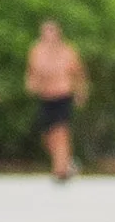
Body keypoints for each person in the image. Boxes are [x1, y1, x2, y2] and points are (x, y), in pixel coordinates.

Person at [25, 17, 88, 180]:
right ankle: (66, 162)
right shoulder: (36, 51)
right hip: (45, 96)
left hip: (63, 94)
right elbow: (31, 72)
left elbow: (79, 74)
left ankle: (60, 170)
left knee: (61, 132)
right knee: (48, 135)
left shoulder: (67, 52)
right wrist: (31, 84)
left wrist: (80, 92)